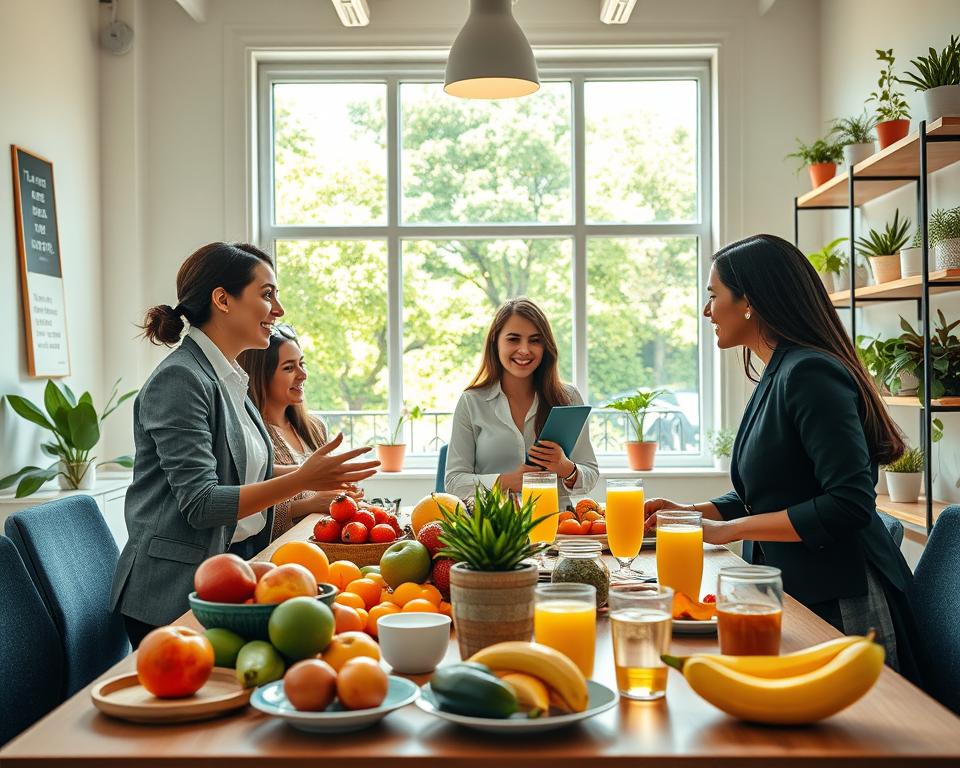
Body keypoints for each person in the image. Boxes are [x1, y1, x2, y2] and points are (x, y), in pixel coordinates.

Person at [644, 233, 921, 682]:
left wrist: (729, 530)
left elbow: (849, 503)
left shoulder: (809, 373)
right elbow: (770, 492)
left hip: (837, 597)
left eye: (713, 295)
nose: (707, 311)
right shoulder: (779, 371)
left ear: (749, 302)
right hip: (791, 587)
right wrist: (692, 513)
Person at [110, 242, 379, 647]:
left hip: (226, 576)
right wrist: (304, 478)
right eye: (267, 294)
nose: (279, 310)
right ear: (222, 300)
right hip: (172, 594)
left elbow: (242, 469)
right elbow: (202, 504)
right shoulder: (180, 380)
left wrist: (316, 474)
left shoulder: (229, 377)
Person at [445, 297, 598, 510]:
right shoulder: (472, 401)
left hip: (558, 522)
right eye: (513, 339)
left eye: (535, 340)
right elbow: (453, 482)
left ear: (545, 347)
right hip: (496, 525)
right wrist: (505, 482)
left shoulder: (568, 398)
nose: (524, 350)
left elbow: (590, 473)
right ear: (495, 341)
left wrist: (566, 468)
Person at [238, 323, 363, 539]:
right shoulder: (250, 435)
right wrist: (310, 504)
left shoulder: (315, 427)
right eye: (289, 368)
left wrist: (343, 494)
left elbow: (326, 492)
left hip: (321, 546)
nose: (303, 374)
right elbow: (245, 515)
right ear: (261, 376)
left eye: (301, 364)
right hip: (280, 553)